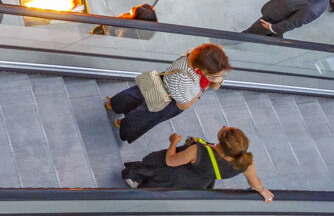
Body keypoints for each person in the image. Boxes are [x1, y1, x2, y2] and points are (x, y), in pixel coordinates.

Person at [109, 44, 232, 145]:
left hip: (163, 80)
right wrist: (203, 88)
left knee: (136, 94)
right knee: (144, 115)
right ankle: (123, 125)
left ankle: (114, 104)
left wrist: (215, 78)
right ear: (204, 71)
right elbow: (183, 105)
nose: (221, 76)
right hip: (169, 99)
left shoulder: (193, 52)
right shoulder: (184, 80)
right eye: (217, 74)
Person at [121, 127, 272, 200]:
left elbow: (170, 161)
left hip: (174, 173)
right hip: (197, 183)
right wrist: (263, 191)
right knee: (165, 188)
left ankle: (135, 180)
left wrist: (173, 142)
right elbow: (256, 184)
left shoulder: (198, 151)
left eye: (225, 131)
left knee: (156, 170)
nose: (225, 126)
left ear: (222, 144)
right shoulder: (246, 162)